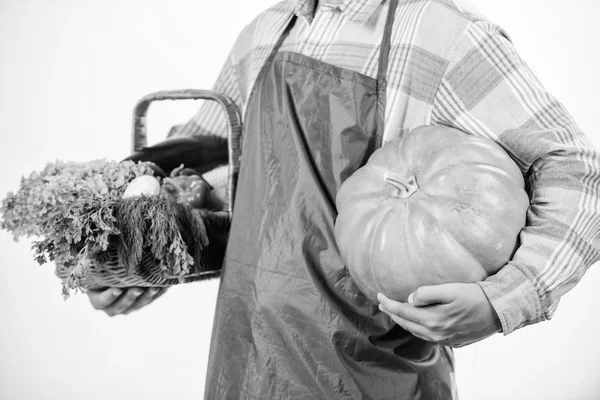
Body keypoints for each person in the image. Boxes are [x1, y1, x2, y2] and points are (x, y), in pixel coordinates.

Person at [88, 0, 600, 398]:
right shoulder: (268, 30)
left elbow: (576, 169)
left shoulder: (443, 36)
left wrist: (507, 297)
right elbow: (214, 175)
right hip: (242, 359)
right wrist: (137, 260)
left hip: (369, 372)